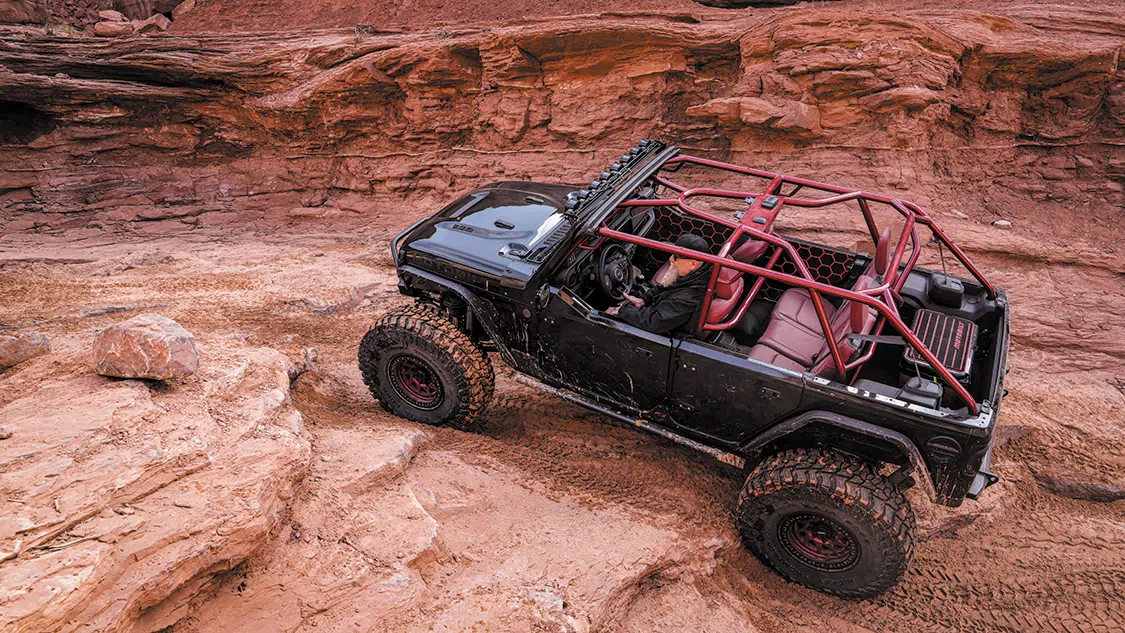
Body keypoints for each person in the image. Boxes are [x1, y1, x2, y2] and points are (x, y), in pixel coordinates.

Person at [606, 233, 712, 334]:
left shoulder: (689, 297)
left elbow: (654, 322)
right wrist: (643, 299)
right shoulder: (695, 275)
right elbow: (668, 287)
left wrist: (624, 310)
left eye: (676, 257)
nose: (670, 259)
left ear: (693, 264)